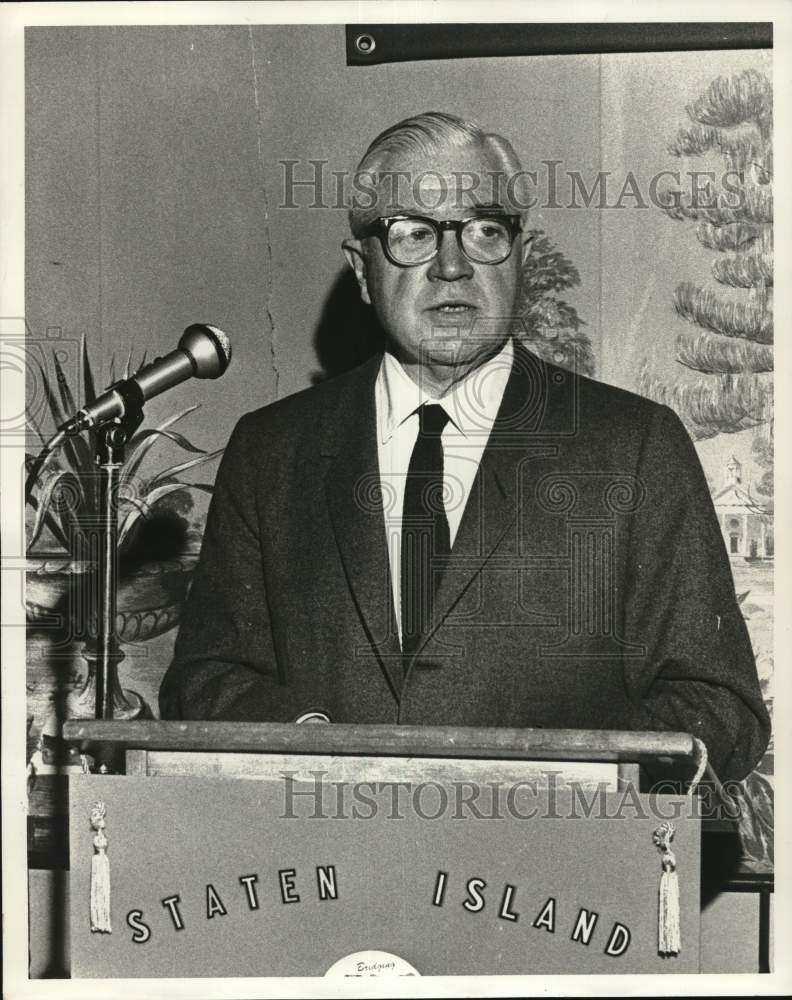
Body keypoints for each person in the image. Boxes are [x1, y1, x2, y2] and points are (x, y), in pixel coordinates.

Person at [159, 112, 769, 782]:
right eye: (413, 234)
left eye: (484, 232)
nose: (452, 266)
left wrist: (547, 777)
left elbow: (720, 710)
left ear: (522, 260)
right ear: (361, 270)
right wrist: (309, 748)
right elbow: (205, 681)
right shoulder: (271, 453)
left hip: (553, 877)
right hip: (324, 872)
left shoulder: (635, 447)